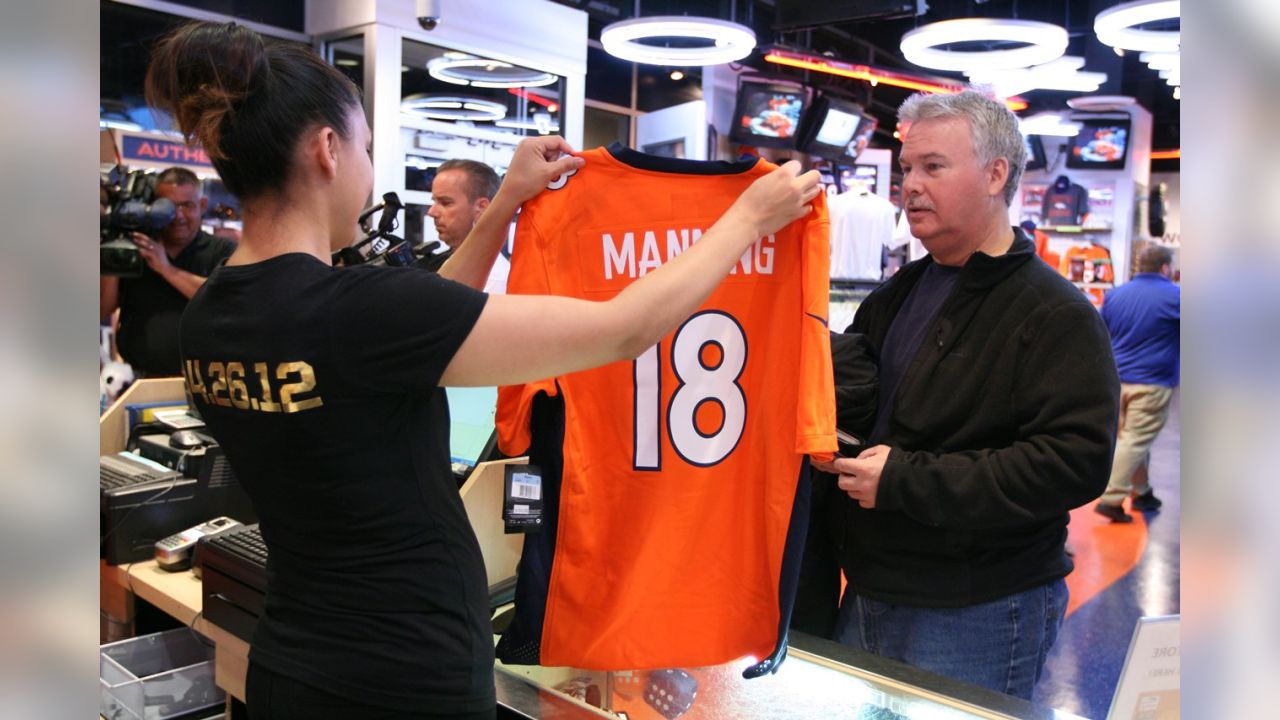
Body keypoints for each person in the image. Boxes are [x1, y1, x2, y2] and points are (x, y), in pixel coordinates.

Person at [145, 20, 819, 720]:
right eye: (367, 150)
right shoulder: (358, 310)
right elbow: (626, 329)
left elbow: (423, 325)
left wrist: (502, 206)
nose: (369, 169)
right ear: (326, 150)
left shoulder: (214, 314)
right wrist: (743, 223)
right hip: (407, 678)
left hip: (290, 663)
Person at [815, 90, 1120, 700]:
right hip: (875, 589)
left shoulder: (1053, 312)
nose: (910, 185)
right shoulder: (900, 291)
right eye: (907, 168)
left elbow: (1073, 463)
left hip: (978, 608)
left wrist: (906, 479)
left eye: (933, 166)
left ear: (995, 174)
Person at [99, 166, 236, 376]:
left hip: (203, 382)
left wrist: (166, 269)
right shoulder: (136, 245)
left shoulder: (221, 249)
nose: (177, 216)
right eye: (168, 207)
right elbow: (104, 308)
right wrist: (114, 247)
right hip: (137, 376)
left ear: (202, 205)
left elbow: (223, 301)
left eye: (187, 205)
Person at [1093, 244, 1180, 522]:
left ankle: (1141, 492)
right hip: (1152, 382)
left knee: (1131, 438)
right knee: (1134, 440)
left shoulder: (1115, 295)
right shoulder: (1177, 297)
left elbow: (1101, 333)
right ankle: (1111, 497)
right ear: (1165, 267)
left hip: (1115, 382)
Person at [421, 159, 501, 272]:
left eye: (445, 203)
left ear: (481, 207)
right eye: (434, 201)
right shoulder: (442, 263)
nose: (432, 212)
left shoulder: (491, 275)